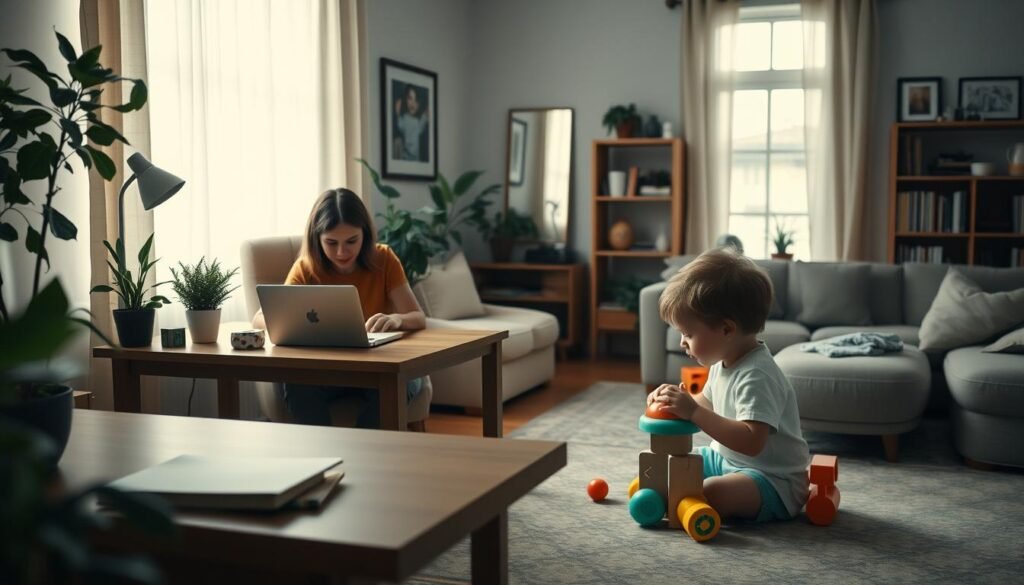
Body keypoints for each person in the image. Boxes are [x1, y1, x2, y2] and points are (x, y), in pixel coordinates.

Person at [647, 248, 810, 522]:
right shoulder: (722, 362)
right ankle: (668, 493)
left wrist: (694, 412)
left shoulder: (757, 375)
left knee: (714, 492)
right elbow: (705, 405)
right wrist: (673, 404)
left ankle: (680, 498)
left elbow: (751, 441)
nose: (682, 342)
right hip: (726, 461)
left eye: (688, 333)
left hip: (771, 479)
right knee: (675, 460)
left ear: (726, 329)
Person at [255, 188, 426, 428]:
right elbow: (260, 319)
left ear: (365, 235)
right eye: (331, 242)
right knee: (298, 386)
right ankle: (321, 461)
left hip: (381, 367)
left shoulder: (384, 259)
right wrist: (290, 323)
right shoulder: (305, 268)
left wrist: (398, 319)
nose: (341, 252)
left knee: (398, 384)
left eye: (351, 241)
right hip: (328, 370)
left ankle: (367, 458)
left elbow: (418, 317)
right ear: (317, 238)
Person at [393, 84, 429, 161]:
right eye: (410, 98)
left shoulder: (418, 120)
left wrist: (425, 116)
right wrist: (398, 113)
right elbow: (400, 126)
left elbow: (420, 128)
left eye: (416, 100)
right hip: (405, 156)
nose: (412, 103)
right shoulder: (405, 117)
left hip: (416, 158)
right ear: (405, 99)